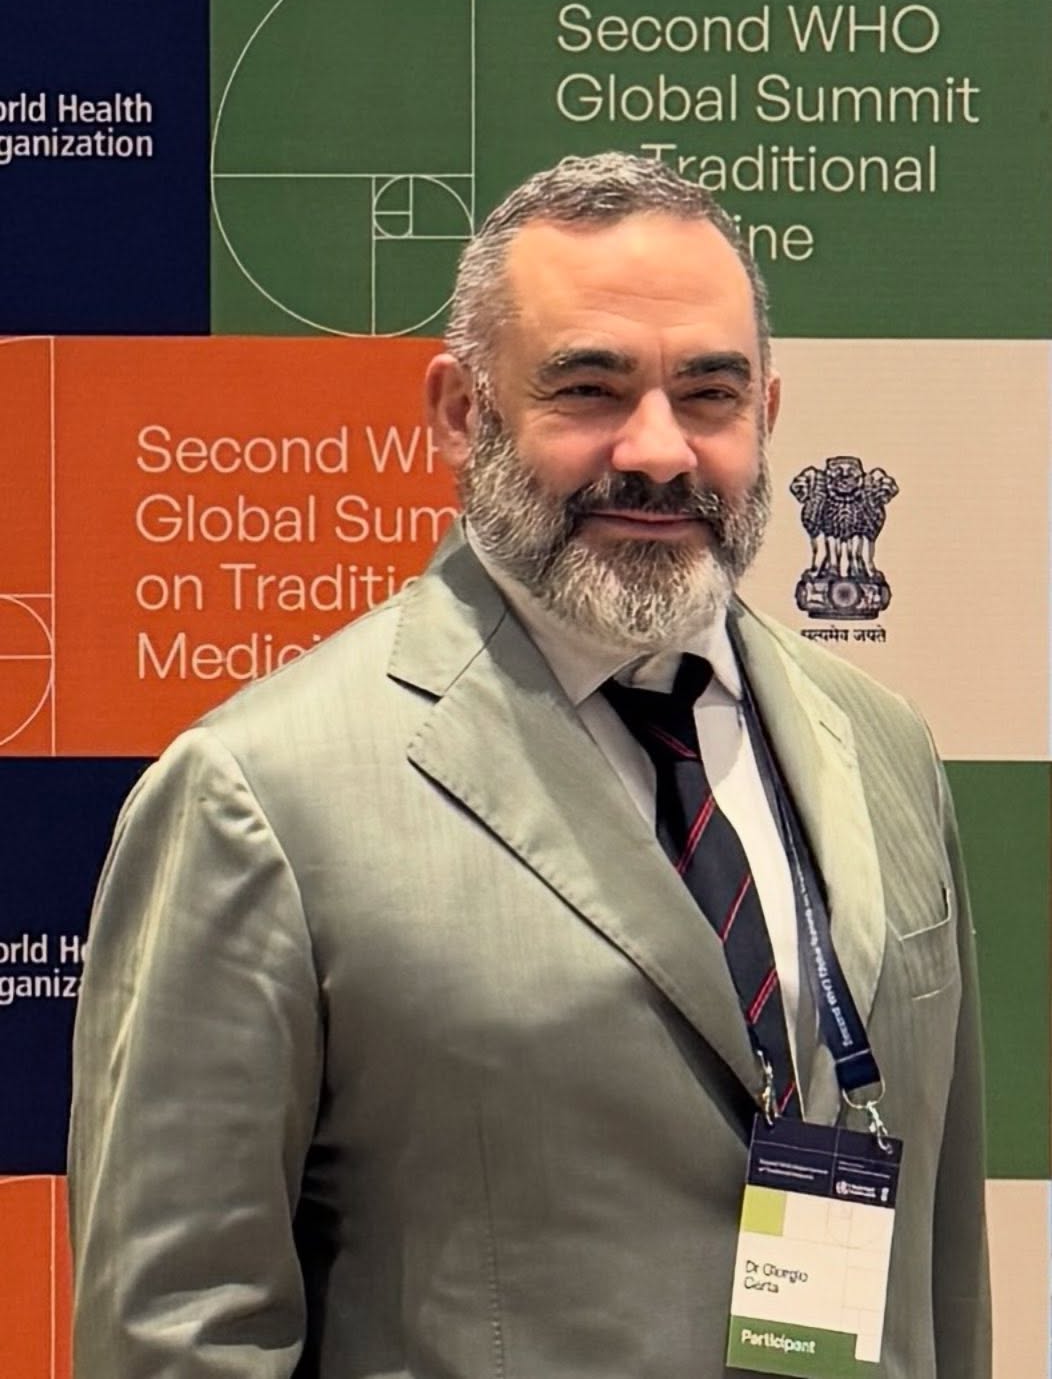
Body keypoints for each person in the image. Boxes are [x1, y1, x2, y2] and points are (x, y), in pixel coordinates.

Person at [69, 152, 990, 1378]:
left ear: (764, 415)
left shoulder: (881, 746)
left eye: (707, 393)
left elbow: (940, 1283)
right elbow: (175, 1340)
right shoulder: (257, 798)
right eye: (589, 388)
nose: (657, 450)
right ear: (460, 412)